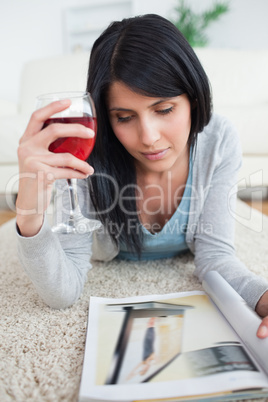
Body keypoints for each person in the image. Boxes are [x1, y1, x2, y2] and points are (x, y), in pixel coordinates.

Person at [16, 14, 268, 338]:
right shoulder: (84, 150)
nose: (148, 137)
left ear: (193, 98)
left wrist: (263, 298)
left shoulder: (217, 140)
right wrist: (29, 210)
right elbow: (62, 292)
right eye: (124, 117)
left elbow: (216, 259)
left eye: (164, 110)